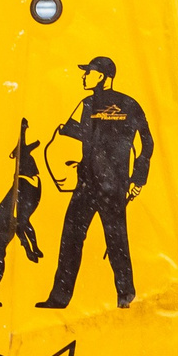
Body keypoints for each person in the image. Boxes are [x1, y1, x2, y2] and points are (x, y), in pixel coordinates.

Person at [37, 56, 152, 309]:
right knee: (73, 238)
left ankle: (125, 294)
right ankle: (60, 298)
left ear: (103, 77)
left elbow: (146, 142)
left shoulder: (128, 104)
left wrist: (138, 178)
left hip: (110, 185)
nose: (84, 76)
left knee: (115, 240)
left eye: (89, 72)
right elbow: (71, 136)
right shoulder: (87, 104)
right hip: (88, 184)